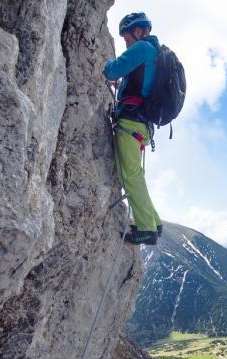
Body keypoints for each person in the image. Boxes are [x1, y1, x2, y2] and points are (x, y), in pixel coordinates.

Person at [103, 12, 163, 245]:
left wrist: (105, 62)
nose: (126, 43)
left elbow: (110, 71)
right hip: (141, 124)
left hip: (131, 122)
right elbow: (141, 84)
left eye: (126, 38)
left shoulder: (142, 48)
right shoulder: (153, 51)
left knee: (130, 175)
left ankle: (147, 229)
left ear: (138, 31)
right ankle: (154, 222)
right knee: (133, 174)